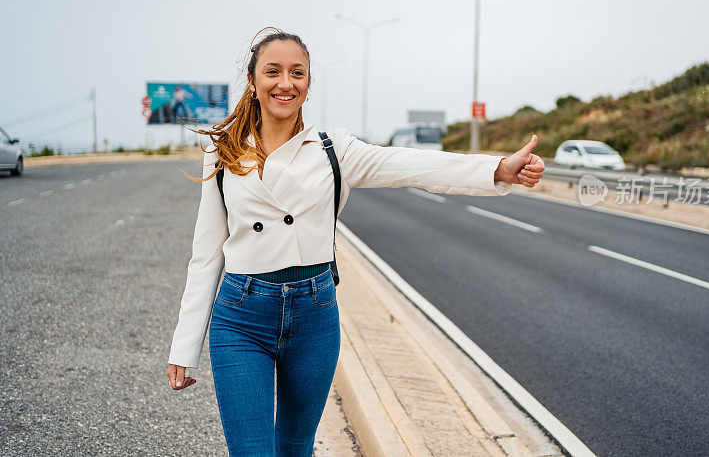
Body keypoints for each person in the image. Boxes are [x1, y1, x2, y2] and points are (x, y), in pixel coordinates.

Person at [166, 28, 546, 456]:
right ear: (253, 82)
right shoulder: (223, 151)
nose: (285, 83)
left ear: (308, 84)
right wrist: (185, 343)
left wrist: (497, 170)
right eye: (272, 72)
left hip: (314, 315)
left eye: (298, 73)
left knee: (295, 447)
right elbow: (205, 257)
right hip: (241, 317)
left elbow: (412, 165)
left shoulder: (333, 149)